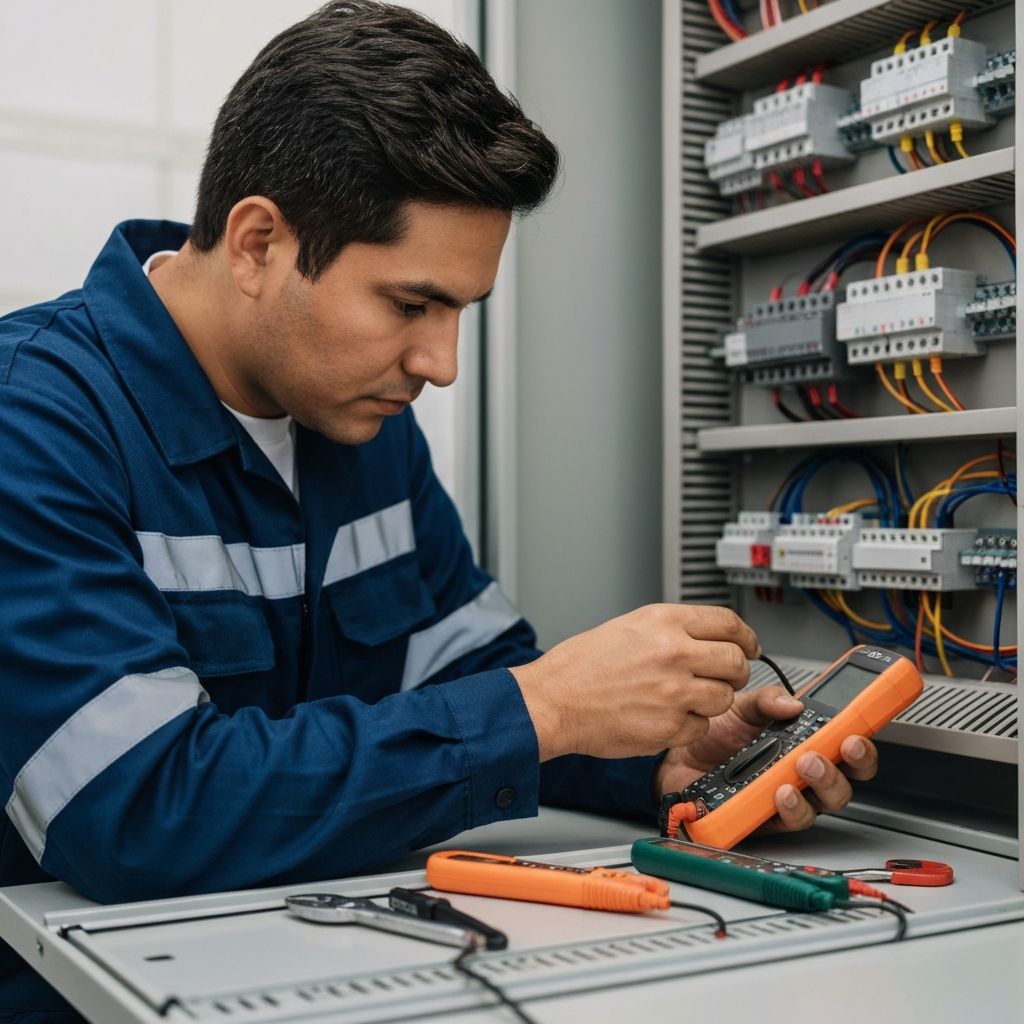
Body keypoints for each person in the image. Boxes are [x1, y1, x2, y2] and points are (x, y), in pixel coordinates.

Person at [0, 3, 877, 1020]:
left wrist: (654, 759)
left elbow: (465, 677)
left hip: (322, 978)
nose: (440, 365)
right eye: (411, 304)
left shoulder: (362, 426)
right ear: (255, 243)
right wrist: (543, 705)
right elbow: (137, 808)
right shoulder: (38, 424)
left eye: (461, 312)